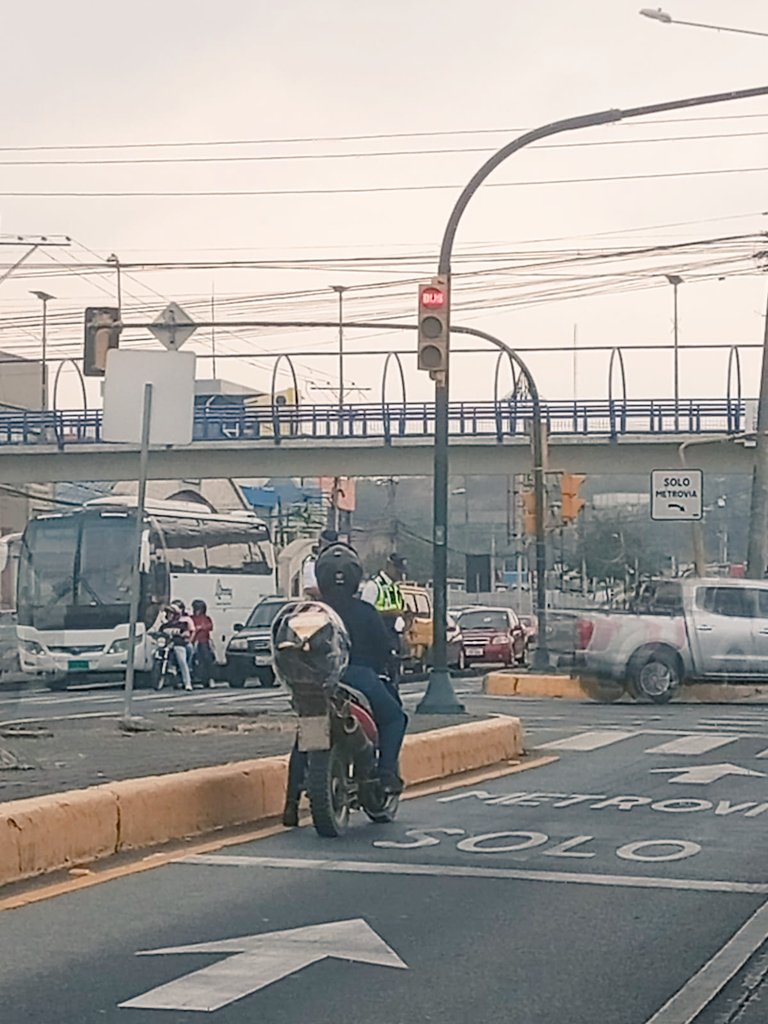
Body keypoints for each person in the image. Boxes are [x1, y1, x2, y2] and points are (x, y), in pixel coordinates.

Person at [282, 542, 408, 827]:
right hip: (359, 678)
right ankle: (387, 774)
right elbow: (383, 649)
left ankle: (290, 803)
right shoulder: (365, 611)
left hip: (316, 683)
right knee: (394, 718)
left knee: (304, 734)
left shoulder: (308, 612)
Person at [361, 552, 408, 693]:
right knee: (381, 676)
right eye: (398, 570)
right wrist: (390, 613)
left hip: (393, 636)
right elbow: (365, 614)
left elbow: (400, 612)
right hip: (377, 638)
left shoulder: (395, 588)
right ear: (389, 566)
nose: (400, 575)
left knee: (393, 676)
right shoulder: (373, 587)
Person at [159, 600, 194, 691]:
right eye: (168, 613)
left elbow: (187, 633)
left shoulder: (182, 624)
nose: (169, 615)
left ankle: (187, 683)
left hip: (179, 645)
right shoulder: (164, 626)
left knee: (182, 661)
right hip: (167, 646)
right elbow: (158, 633)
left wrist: (185, 635)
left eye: (171, 613)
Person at [302, 528, 339, 598]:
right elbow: (310, 588)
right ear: (320, 545)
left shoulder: (341, 562)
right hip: (318, 604)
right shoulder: (312, 562)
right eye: (327, 547)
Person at [191, 599, 215, 688]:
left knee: (207, 659)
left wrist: (201, 627)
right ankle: (196, 678)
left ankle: (209, 678)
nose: (197, 610)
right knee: (194, 660)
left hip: (204, 641)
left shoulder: (206, 618)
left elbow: (210, 626)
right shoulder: (191, 618)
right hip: (193, 641)